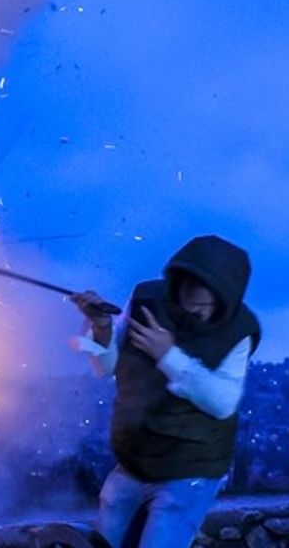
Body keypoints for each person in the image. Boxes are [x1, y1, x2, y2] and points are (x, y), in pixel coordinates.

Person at [69, 235, 262, 548]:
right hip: (135, 460)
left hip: (190, 469)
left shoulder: (239, 331)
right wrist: (102, 327)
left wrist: (168, 356)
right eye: (187, 304)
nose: (193, 314)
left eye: (203, 307)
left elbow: (222, 402)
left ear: (224, 298)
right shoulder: (146, 300)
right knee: (104, 542)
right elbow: (106, 367)